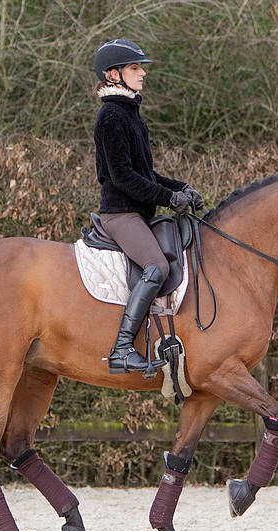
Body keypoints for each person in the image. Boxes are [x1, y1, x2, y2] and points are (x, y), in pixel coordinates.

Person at [92, 38, 204, 374]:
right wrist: (169, 199)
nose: (143, 74)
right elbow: (124, 178)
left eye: (141, 68)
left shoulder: (131, 115)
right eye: (135, 68)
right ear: (114, 74)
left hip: (139, 212)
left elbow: (146, 174)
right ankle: (122, 349)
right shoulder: (111, 117)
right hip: (120, 213)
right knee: (158, 265)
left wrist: (180, 187)